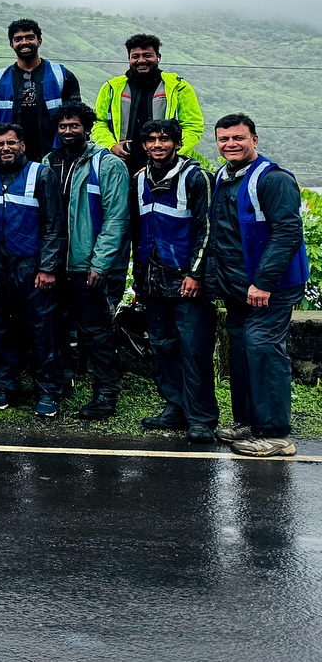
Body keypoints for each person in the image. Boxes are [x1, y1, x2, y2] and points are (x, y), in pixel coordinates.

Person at [208, 113, 309, 458]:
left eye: (238, 138)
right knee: (240, 350)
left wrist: (264, 282)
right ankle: (248, 422)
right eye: (224, 139)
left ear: (255, 140)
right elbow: (220, 235)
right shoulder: (223, 177)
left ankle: (276, 434)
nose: (230, 144)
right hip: (237, 286)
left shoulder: (273, 179)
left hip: (273, 286)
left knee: (263, 348)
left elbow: (288, 233)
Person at [131, 118, 216, 443]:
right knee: (163, 346)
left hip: (185, 281)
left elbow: (207, 229)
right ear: (144, 146)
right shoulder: (138, 181)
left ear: (178, 144)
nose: (157, 145)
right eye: (151, 140)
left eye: (164, 139)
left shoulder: (196, 178)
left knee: (193, 350)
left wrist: (196, 273)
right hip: (153, 281)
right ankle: (175, 408)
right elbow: (137, 232)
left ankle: (202, 418)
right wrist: (139, 277)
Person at [44, 102, 131, 419]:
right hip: (56, 265)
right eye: (63, 126)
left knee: (96, 333)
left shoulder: (107, 165)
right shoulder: (49, 162)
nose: (68, 131)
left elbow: (116, 220)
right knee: (58, 330)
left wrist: (100, 263)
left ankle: (106, 395)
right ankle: (60, 385)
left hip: (88, 265)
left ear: (87, 128)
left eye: (74, 126)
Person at [0, 123, 65, 418]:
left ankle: (47, 390)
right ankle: (5, 386)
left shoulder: (41, 174)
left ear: (22, 145)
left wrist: (48, 267)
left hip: (32, 266)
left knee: (41, 329)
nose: (6, 148)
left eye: (11, 143)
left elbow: (54, 225)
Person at [93, 34, 205, 174]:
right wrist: (111, 146)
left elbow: (193, 126)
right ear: (129, 59)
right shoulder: (111, 88)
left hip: (168, 170)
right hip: (120, 167)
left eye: (147, 55)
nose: (141, 60)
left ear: (158, 57)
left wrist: (168, 155)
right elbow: (98, 123)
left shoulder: (178, 88)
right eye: (135, 56)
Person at [0, 19, 81, 163]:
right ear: (11, 44)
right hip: (11, 159)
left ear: (39, 41)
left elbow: (77, 117)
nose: (24, 43)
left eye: (29, 37)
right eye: (18, 39)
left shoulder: (62, 76)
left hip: (56, 156)